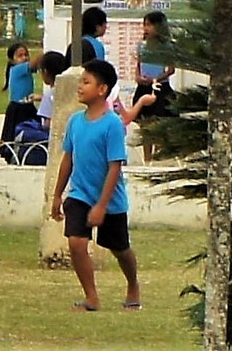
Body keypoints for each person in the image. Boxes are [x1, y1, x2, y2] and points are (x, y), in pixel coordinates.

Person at [51, 58, 142, 312]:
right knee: (76, 243)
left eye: (86, 82)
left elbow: (115, 166)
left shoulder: (112, 123)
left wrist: (102, 205)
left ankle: (133, 284)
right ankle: (91, 297)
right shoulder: (75, 122)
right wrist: (57, 195)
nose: (80, 86)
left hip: (110, 200)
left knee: (120, 248)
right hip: (80, 195)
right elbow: (68, 159)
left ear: (102, 89)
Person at [1, 42, 40, 143]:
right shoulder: (17, 69)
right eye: (20, 56)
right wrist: (45, 51)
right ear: (12, 60)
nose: (24, 58)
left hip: (28, 106)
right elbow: (34, 63)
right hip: (18, 108)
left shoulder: (26, 70)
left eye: (26, 54)